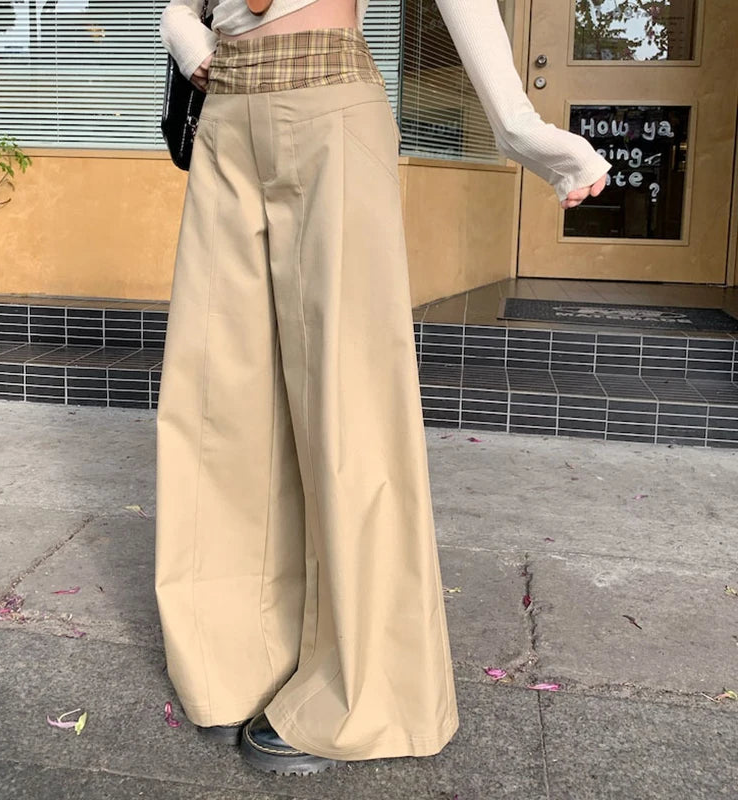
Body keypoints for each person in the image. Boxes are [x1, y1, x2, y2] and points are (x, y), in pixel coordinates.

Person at [155, 0, 610, 777]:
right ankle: (233, 656)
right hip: (226, 113)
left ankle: (364, 692)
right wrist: (184, 34)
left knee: (352, 401)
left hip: (331, 103)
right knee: (215, 399)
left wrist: (523, 131)